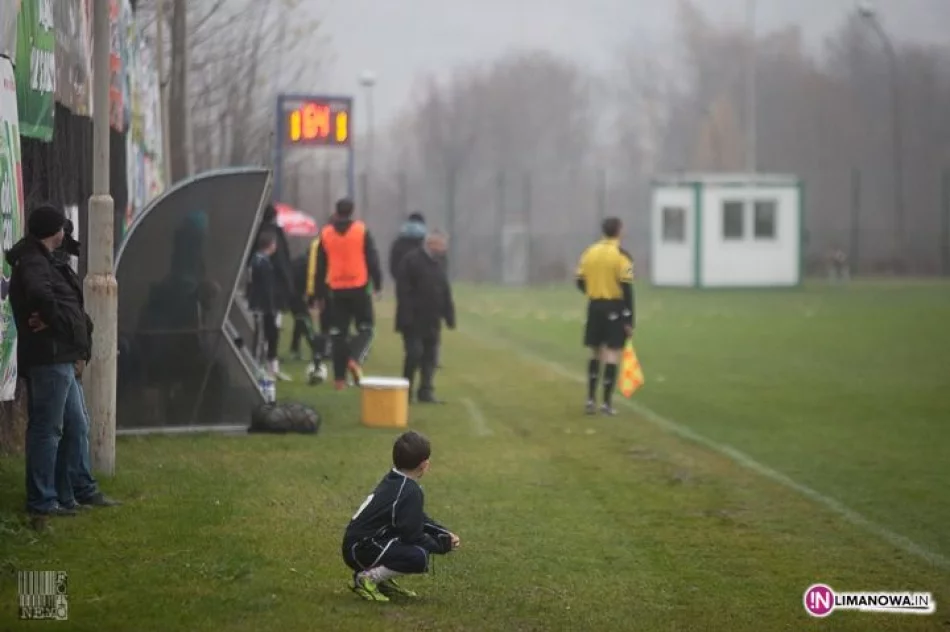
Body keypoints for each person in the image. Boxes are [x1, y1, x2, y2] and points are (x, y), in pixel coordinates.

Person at [7, 204, 118, 519]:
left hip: (61, 356)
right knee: (48, 428)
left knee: (75, 425)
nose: (65, 233)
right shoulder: (33, 263)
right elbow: (43, 298)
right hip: (49, 357)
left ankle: (73, 492)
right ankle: (43, 500)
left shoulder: (45, 261)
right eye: (62, 228)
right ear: (53, 231)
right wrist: (60, 327)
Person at [342, 430, 459, 602]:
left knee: (410, 547)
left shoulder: (395, 479)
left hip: (357, 545)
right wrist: (441, 546)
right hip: (361, 548)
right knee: (418, 556)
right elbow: (413, 535)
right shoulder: (410, 491)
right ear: (424, 465)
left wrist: (443, 532)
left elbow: (416, 517)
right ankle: (367, 578)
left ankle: (381, 580)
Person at [314, 198, 383, 389]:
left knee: (338, 334)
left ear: (336, 212)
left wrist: (319, 294)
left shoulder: (326, 233)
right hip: (359, 287)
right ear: (352, 211)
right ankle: (355, 358)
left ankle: (339, 380)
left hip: (336, 289)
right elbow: (372, 258)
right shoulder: (361, 230)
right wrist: (377, 283)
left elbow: (320, 266)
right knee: (366, 328)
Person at [575, 217, 635, 416]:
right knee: (611, 353)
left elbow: (579, 280)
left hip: (594, 306)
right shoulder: (622, 256)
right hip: (614, 307)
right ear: (619, 231)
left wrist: (592, 291)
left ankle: (590, 400)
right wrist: (629, 319)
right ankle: (607, 404)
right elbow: (627, 288)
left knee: (595, 352)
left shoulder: (589, 252)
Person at [395, 231, 455, 403]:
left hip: (432, 318)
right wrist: (406, 316)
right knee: (414, 353)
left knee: (430, 356)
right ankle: (405, 390)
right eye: (442, 244)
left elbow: (444, 289)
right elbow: (403, 291)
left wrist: (449, 314)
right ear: (431, 244)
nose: (444, 248)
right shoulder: (411, 260)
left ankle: (426, 391)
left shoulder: (441, 262)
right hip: (413, 318)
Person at [247, 230, 281, 378]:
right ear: (271, 245)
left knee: (266, 334)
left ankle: (265, 365)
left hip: (257, 302)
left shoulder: (256, 260)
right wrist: (270, 306)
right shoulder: (263, 263)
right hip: (262, 305)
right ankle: (258, 366)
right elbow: (266, 288)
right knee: (263, 336)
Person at [388, 212, 427, 280]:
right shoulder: (424, 244)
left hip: (402, 282)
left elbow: (393, 266)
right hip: (421, 283)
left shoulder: (398, 243)